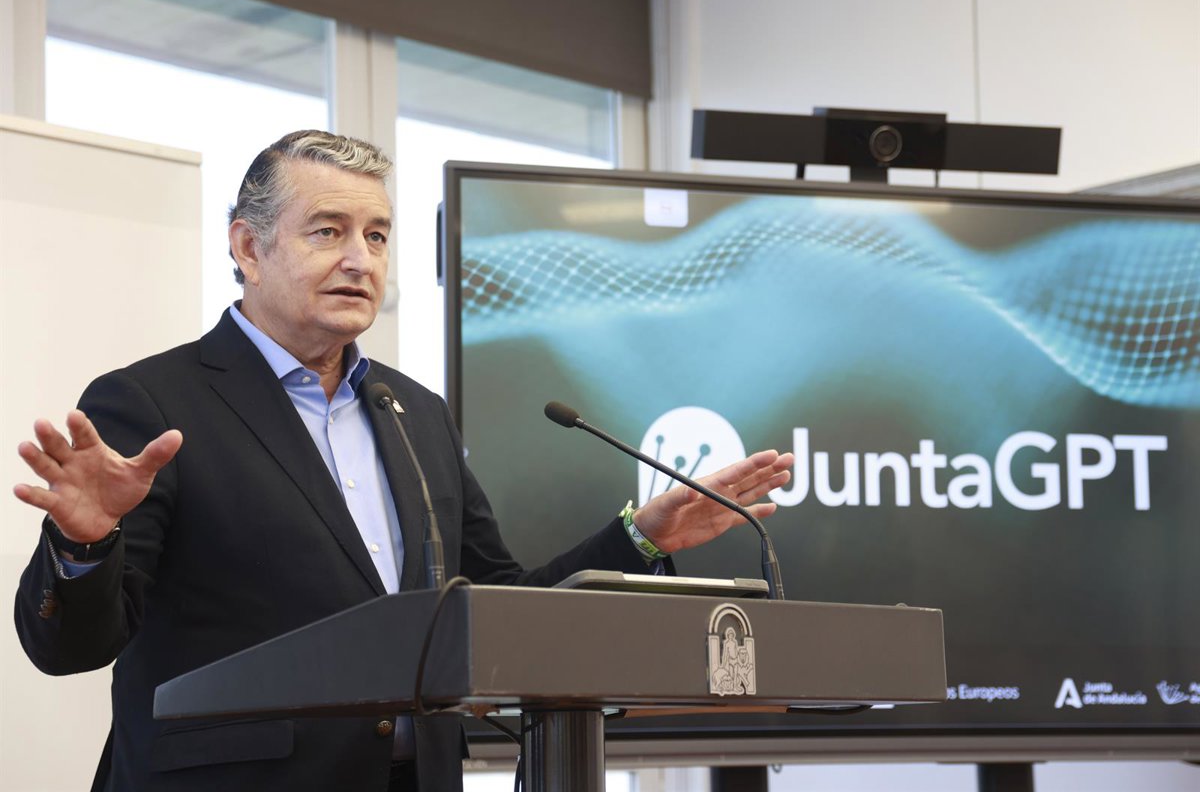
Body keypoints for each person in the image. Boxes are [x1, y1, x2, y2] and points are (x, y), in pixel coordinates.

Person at [12, 130, 794, 792]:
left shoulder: (413, 411)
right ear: (248, 247)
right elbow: (68, 648)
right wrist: (85, 542)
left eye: (377, 235)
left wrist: (640, 537)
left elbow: (496, 604)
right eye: (328, 231)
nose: (360, 259)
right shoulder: (155, 403)